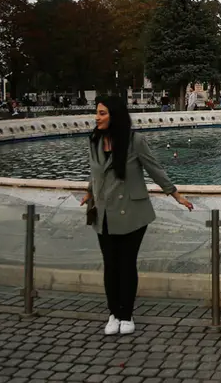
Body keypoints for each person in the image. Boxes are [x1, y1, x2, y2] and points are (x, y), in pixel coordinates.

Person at [80, 95, 193, 336]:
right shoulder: (94, 140)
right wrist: (89, 193)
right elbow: (95, 173)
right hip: (103, 214)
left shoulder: (135, 141)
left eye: (102, 113)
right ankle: (113, 313)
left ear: (115, 116)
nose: (96, 117)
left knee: (126, 264)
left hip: (132, 212)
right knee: (110, 265)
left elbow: (155, 169)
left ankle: (126, 313)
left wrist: (175, 195)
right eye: (97, 113)